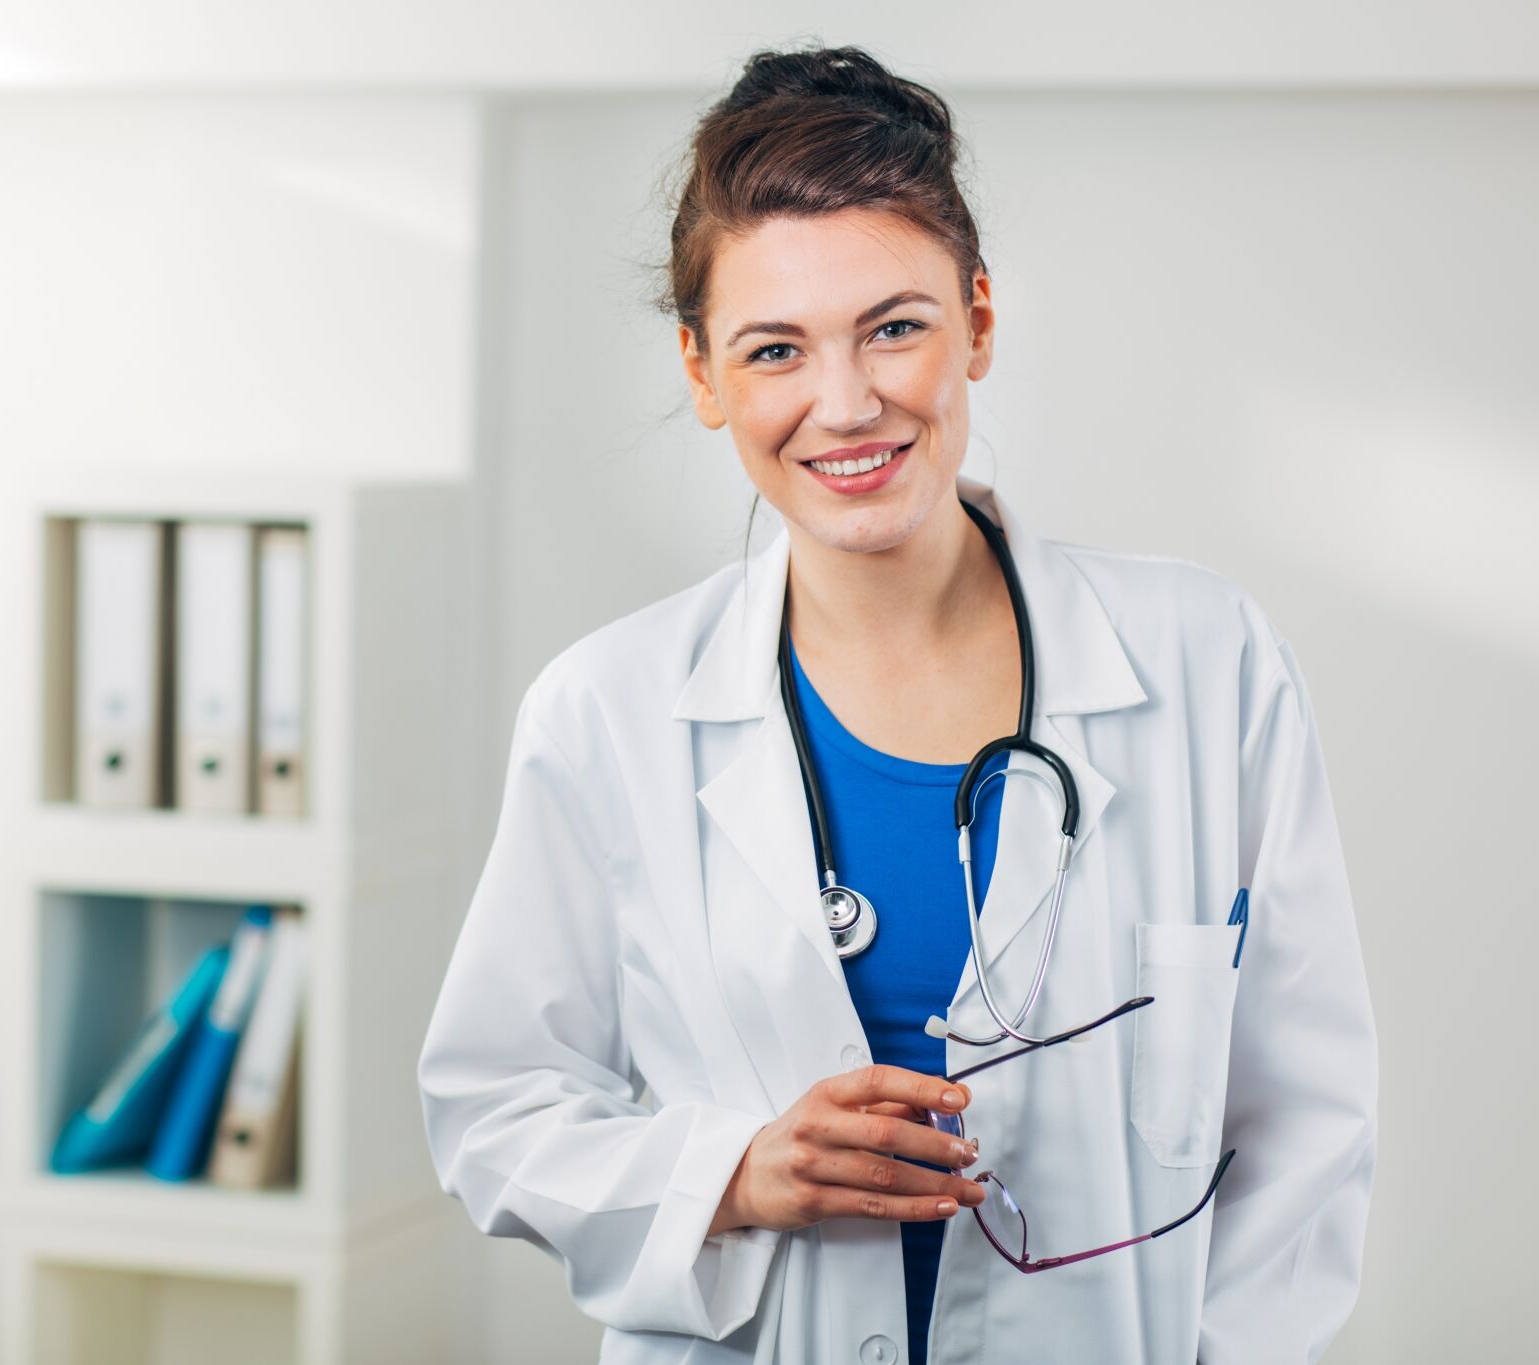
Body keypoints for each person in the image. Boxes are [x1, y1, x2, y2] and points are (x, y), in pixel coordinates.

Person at [417, 42, 1376, 1365]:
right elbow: (495, 1106)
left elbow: (1308, 1123)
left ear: (978, 319)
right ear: (703, 375)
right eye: (774, 350)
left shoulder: (1208, 662)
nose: (845, 402)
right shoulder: (606, 712)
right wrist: (737, 1174)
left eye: (895, 326)